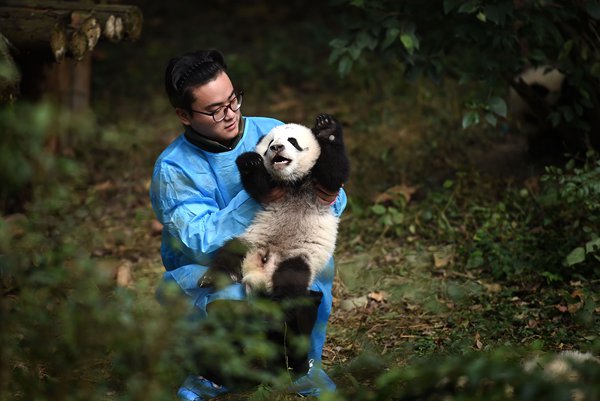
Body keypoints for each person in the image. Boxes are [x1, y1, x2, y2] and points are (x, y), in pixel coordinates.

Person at [149, 49, 347, 400]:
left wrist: (328, 192)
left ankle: (301, 365)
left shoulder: (269, 130)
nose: (231, 115)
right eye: (215, 110)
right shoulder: (174, 169)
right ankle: (208, 374)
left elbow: (327, 191)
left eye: (233, 100)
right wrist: (261, 194)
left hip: (283, 245)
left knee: (315, 268)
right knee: (231, 291)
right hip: (210, 265)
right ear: (183, 114)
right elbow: (199, 240)